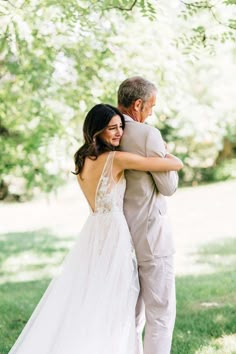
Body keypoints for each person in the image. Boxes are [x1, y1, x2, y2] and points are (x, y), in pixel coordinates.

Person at [8, 104, 183, 354]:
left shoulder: (82, 160)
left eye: (120, 127)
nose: (119, 133)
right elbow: (173, 165)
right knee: (121, 301)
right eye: (112, 128)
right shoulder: (116, 159)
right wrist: (165, 151)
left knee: (94, 296)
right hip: (114, 233)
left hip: (93, 231)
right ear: (96, 131)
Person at [118, 76, 179, 354]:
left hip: (120, 237)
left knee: (131, 316)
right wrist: (166, 153)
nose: (152, 113)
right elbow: (168, 186)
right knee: (161, 314)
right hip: (152, 236)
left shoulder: (105, 133)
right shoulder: (147, 134)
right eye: (151, 106)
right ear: (138, 104)